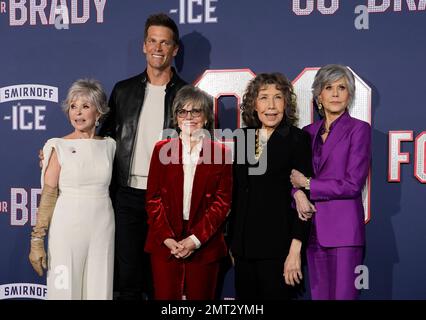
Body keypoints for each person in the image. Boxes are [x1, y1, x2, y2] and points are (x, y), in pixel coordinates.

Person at [98, 13, 187, 300]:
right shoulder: (123, 91)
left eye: (164, 43)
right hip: (127, 196)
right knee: (128, 278)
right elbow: (101, 139)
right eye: (152, 41)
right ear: (144, 46)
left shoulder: (188, 95)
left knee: (163, 277)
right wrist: (60, 151)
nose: (157, 48)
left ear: (174, 49)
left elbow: (202, 150)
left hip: (167, 198)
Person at [290, 64, 371, 300]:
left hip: (345, 233)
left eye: (342, 88)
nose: (335, 94)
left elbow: (352, 183)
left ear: (350, 95)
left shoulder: (359, 130)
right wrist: (297, 192)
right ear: (319, 96)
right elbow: (293, 176)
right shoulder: (307, 132)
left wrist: (308, 184)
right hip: (312, 230)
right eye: (329, 87)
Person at [29, 79, 116, 300]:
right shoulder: (57, 146)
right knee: (63, 290)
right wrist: (37, 240)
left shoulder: (110, 145)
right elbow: (48, 196)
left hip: (102, 228)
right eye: (73, 107)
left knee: (99, 290)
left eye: (85, 106)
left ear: (99, 113)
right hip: (66, 230)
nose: (78, 113)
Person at [230, 73, 314, 300]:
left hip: (279, 250)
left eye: (278, 97)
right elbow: (237, 194)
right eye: (264, 97)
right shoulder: (243, 138)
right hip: (243, 251)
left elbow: (306, 199)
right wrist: (233, 244)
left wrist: (295, 252)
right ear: (253, 104)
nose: (271, 105)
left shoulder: (297, 139)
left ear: (286, 104)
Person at [144, 85, 232, 300]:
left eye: (195, 111)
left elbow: (222, 203)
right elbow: (153, 198)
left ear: (206, 116)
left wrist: (195, 239)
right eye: (182, 111)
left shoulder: (221, 152)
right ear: (175, 117)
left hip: (205, 242)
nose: (189, 117)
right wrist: (166, 236)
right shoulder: (161, 149)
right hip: (166, 241)